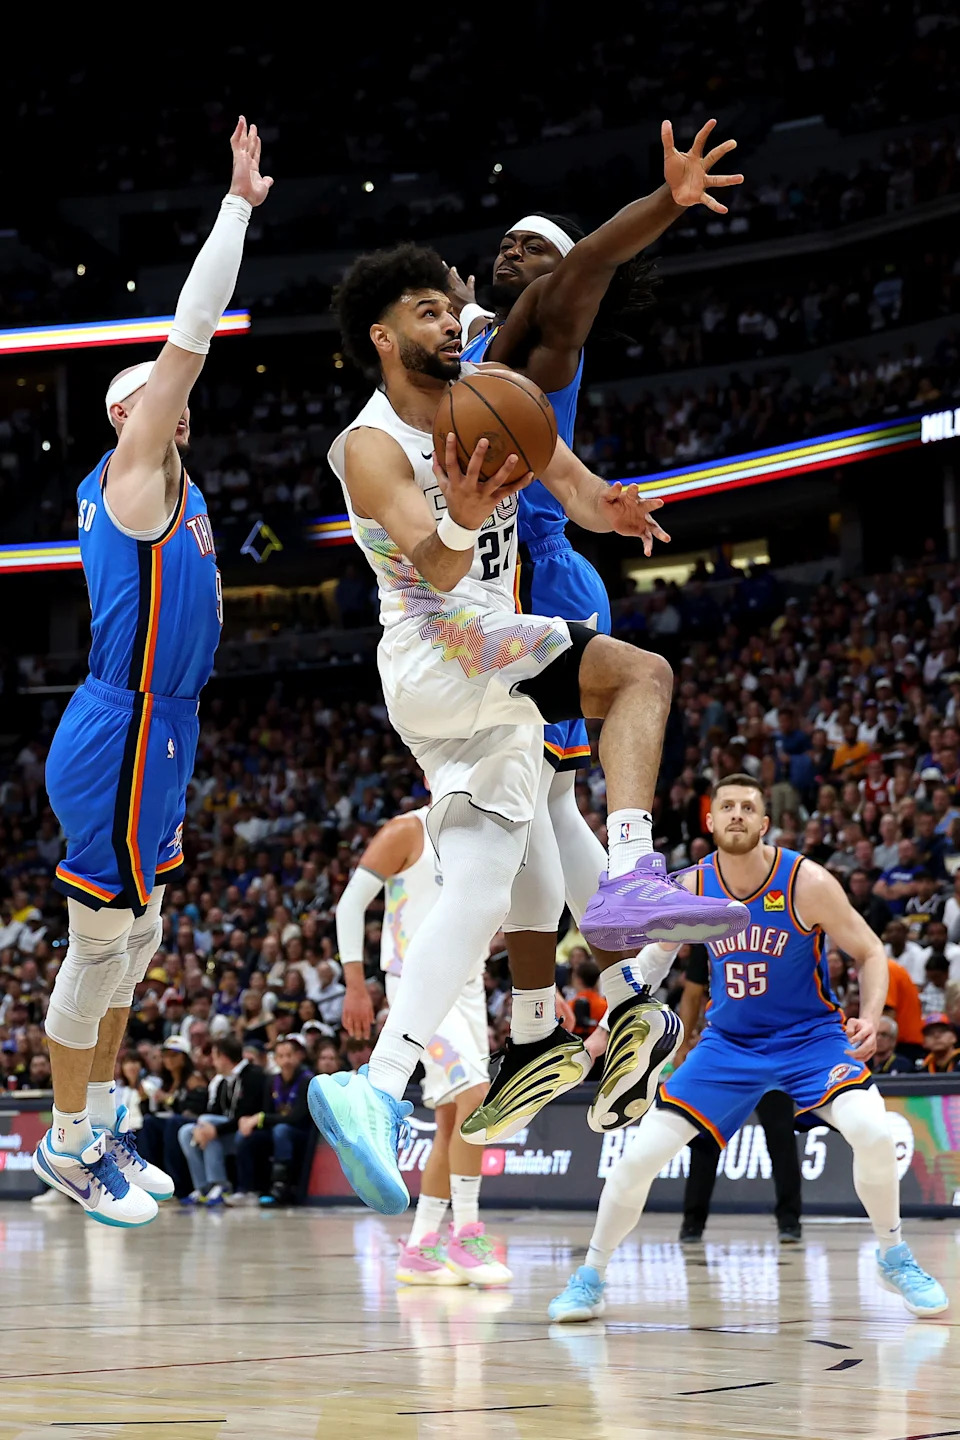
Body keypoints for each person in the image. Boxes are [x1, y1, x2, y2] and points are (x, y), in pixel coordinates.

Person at [313, 243, 749, 1215]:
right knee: (640, 676)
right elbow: (434, 566)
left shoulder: (492, 396)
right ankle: (626, 907)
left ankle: (377, 1086)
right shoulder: (368, 444)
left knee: (480, 879)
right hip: (445, 647)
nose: (447, 321)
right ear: (382, 336)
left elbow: (576, 487)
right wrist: (465, 516)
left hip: (476, 675)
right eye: (426, 311)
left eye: (449, 307)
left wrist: (613, 508)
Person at [455, 119, 742, 1122]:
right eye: (507, 244)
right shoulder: (483, 339)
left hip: (541, 578)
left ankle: (575, 1010)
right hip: (502, 587)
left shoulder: (550, 328)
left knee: (529, 804)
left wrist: (664, 202)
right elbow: (463, 326)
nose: (516, 254)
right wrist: (452, 303)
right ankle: (630, 996)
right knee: (541, 807)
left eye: (534, 248)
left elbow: (588, 264)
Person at [32, 120, 273, 1227]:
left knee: (141, 942)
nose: (180, 405)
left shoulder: (176, 483)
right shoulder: (134, 472)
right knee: (98, 946)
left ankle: (100, 1123)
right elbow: (191, 330)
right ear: (129, 414)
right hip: (120, 725)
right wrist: (236, 209)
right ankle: (64, 1143)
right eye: (160, 396)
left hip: (164, 726)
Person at [550, 774, 948, 1321]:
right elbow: (654, 964)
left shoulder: (806, 881)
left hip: (810, 1039)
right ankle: (591, 1276)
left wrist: (873, 1016)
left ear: (764, 823)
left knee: (875, 1132)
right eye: (727, 806)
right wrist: (601, 1034)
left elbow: (871, 951)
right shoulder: (692, 886)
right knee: (635, 1160)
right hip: (727, 1045)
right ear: (710, 821)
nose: (736, 814)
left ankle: (894, 1255)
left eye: (747, 807)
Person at [336, 805, 511, 1286]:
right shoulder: (408, 830)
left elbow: (510, 915)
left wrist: (542, 987)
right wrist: (356, 984)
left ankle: (421, 1247)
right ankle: (467, 1235)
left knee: (453, 1118)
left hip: (469, 988)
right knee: (476, 1099)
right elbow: (350, 905)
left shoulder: (491, 829)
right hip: (418, 984)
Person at [673, 945, 802, 1243]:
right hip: (725, 1049)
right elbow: (692, 992)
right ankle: (692, 1222)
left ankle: (790, 1220)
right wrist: (683, 1044)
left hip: (772, 1049)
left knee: (781, 1135)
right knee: (704, 1137)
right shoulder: (707, 931)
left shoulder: (779, 929)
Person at [178, 1036, 268, 1206]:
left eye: (214, 1057)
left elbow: (245, 1115)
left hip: (248, 1132)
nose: (212, 1062)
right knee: (186, 1132)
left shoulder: (253, 1076)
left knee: (207, 1126)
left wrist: (214, 1130)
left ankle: (220, 1185)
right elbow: (214, 1113)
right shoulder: (223, 1082)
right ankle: (203, 1188)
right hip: (227, 1132)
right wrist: (203, 1129)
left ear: (224, 1057)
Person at [225, 1035, 314, 1207]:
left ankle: (280, 1187)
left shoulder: (307, 1080)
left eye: (289, 1055)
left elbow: (297, 1117)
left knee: (282, 1130)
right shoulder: (272, 1081)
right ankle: (246, 1189)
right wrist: (251, 1121)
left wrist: (261, 1118)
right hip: (276, 1131)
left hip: (301, 1133)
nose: (286, 1060)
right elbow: (267, 1112)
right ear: (276, 1059)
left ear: (298, 1056)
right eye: (281, 1056)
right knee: (246, 1136)